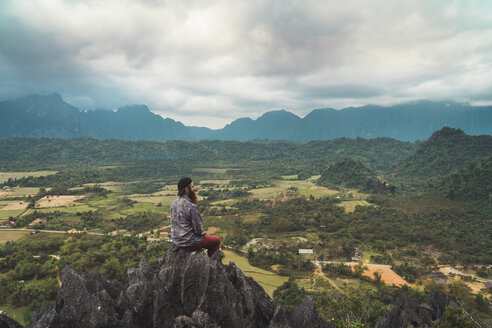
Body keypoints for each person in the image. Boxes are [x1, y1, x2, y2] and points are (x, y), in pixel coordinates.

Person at [170, 177, 221, 256]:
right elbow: (199, 230)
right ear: (187, 189)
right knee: (216, 240)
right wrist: (204, 236)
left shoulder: (173, 203)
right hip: (189, 243)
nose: (194, 189)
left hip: (176, 241)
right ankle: (210, 261)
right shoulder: (191, 206)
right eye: (192, 187)